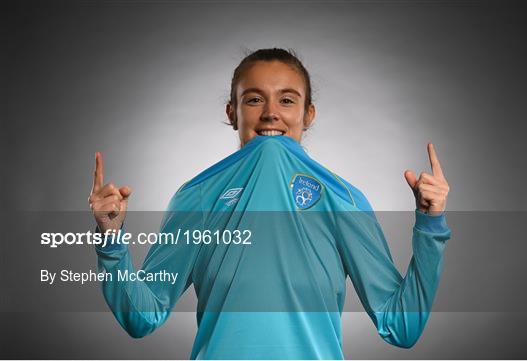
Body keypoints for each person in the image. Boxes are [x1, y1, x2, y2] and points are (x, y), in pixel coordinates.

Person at [89, 48, 452, 359]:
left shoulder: (342, 200)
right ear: (233, 112)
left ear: (308, 114)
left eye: (287, 99)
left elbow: (401, 326)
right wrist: (110, 239)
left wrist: (430, 223)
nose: (270, 113)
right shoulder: (198, 197)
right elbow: (142, 316)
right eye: (254, 98)